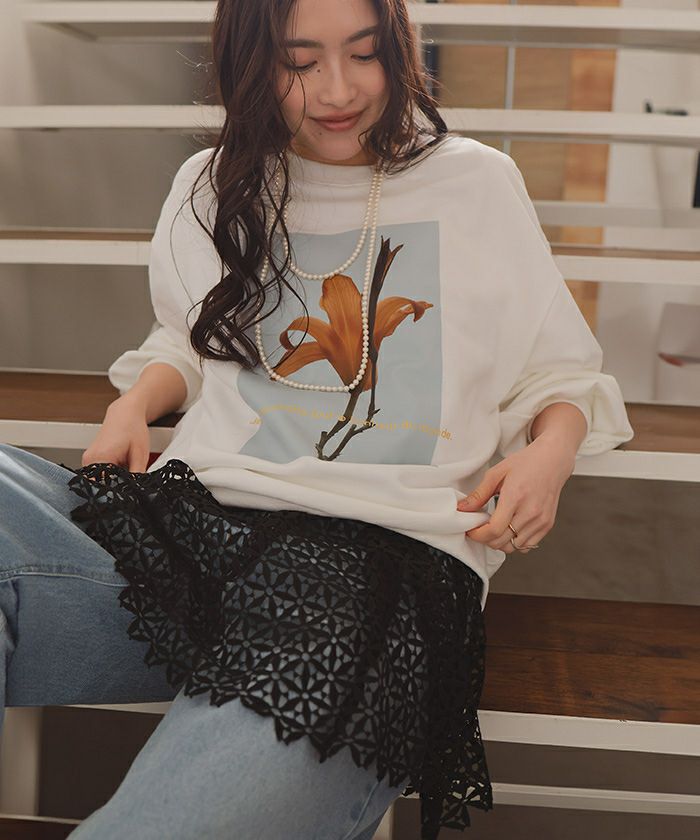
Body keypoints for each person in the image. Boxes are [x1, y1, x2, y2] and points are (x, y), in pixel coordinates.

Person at [0, 0, 635, 837]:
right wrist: (134, 405)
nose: (338, 90)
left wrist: (551, 454)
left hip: (379, 569)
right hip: (200, 533)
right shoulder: (209, 185)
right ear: (250, 64)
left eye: (364, 54)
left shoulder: (475, 182)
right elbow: (189, 338)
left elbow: (558, 369)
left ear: (398, 51)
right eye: (299, 62)